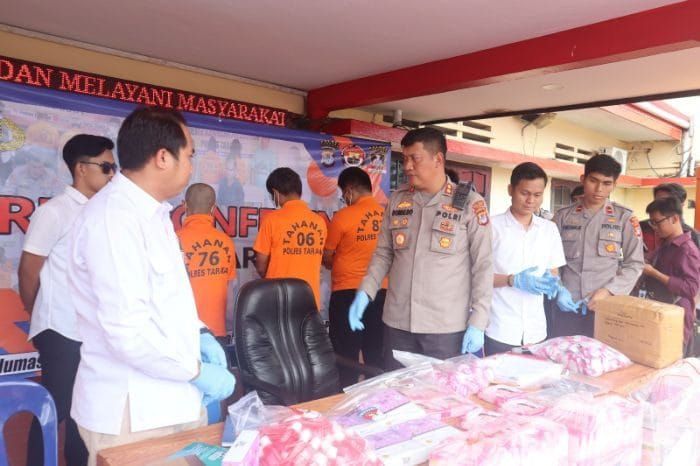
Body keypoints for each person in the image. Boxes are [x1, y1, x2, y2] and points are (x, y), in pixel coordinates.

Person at [67, 108, 234, 465]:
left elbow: (167, 297)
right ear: (162, 157)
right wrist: (198, 372)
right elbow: (127, 333)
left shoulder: (155, 215)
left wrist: (200, 333)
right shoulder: (113, 219)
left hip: (173, 399)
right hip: (133, 412)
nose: (191, 166)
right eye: (189, 155)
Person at [348, 128, 493, 368]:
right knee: (398, 388)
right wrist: (366, 291)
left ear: (438, 159)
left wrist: (478, 321)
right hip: (397, 324)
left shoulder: (469, 203)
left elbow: (483, 266)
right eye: (405, 158)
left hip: (444, 329)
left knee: (439, 391)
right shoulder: (398, 199)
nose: (407, 166)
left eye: (414, 158)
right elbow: (383, 253)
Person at [19, 134, 116, 466]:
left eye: (114, 168)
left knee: (84, 410)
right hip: (60, 328)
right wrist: (37, 313)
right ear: (81, 168)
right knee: (54, 407)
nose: (112, 175)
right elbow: (29, 269)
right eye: (106, 167)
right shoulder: (55, 212)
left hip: (90, 330)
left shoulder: (101, 212)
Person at [552, 154, 644, 337]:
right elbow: (550, 261)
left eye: (606, 183)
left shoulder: (624, 217)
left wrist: (609, 291)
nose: (599, 189)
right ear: (583, 179)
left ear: (614, 185)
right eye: (593, 181)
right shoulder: (563, 216)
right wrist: (558, 289)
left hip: (605, 307)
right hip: (566, 306)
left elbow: (635, 264)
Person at [485, 162, 564, 355]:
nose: (531, 201)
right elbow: (476, 277)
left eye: (537, 195)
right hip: (499, 328)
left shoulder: (549, 229)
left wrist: (555, 285)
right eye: (524, 193)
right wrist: (512, 280)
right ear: (510, 190)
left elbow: (553, 271)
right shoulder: (491, 227)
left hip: (536, 331)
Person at [323, 167, 386, 385]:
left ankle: (346, 395)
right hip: (381, 292)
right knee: (376, 350)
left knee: (345, 353)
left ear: (349, 190)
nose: (344, 198)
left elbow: (327, 256)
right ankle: (378, 396)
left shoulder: (343, 216)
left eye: (343, 194)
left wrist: (332, 262)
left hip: (347, 293)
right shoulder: (386, 215)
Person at [253, 167, 327, 308]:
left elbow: (261, 265)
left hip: (279, 298)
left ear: (275, 193)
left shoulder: (272, 220)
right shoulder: (319, 222)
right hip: (310, 298)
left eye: (272, 195)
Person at [177, 183, 237, 341]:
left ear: (184, 205)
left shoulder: (173, 239)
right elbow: (229, 296)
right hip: (217, 333)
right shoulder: (226, 242)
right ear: (213, 208)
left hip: (183, 335)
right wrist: (228, 328)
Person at [641, 197, 700, 355]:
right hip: (661, 313)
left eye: (657, 222)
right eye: (652, 223)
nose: (654, 228)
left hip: (676, 320)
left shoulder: (687, 250)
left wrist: (654, 273)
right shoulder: (666, 244)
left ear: (674, 219)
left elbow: (691, 288)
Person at [640, 182, 700, 261]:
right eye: (657, 202)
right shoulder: (641, 228)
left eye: (666, 203)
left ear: (681, 206)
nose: (659, 206)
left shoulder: (693, 237)